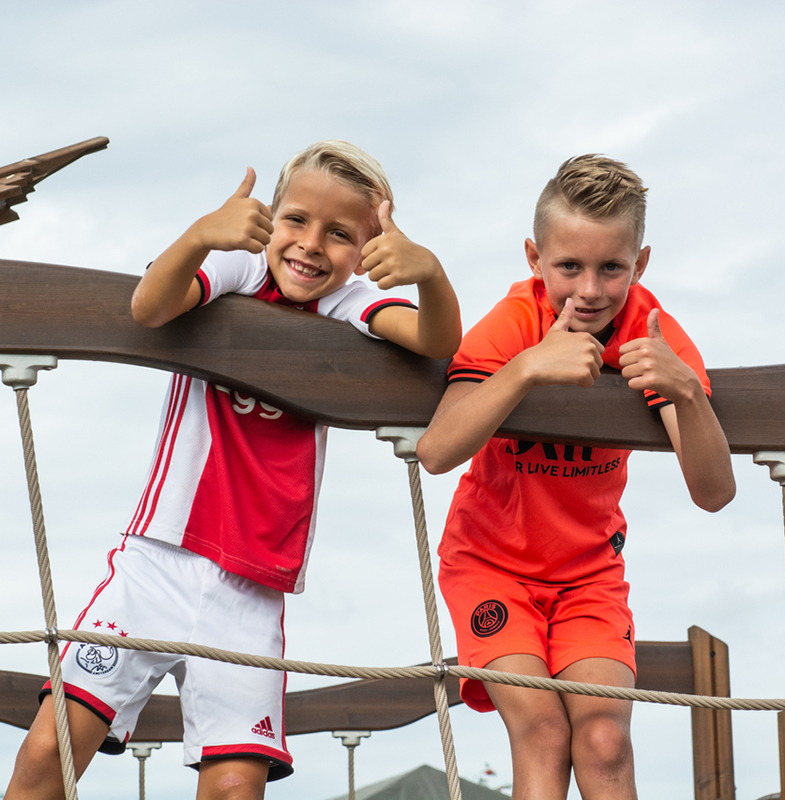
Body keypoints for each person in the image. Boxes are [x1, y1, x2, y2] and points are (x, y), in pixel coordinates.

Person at [6, 140, 461, 800]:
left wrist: (431, 274)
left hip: (252, 590)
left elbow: (435, 342)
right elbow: (149, 308)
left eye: (340, 234)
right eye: (296, 219)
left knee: (234, 790)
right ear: (270, 218)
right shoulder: (238, 267)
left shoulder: (347, 304)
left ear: (365, 253)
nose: (310, 244)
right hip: (157, 562)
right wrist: (198, 236)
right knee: (51, 748)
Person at [417, 154, 735, 800]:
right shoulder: (514, 324)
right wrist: (529, 368)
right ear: (535, 258)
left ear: (638, 265)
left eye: (611, 268)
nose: (589, 290)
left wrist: (688, 395)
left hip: (587, 575)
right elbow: (437, 450)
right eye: (569, 267)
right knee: (542, 730)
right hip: (491, 564)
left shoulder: (652, 332)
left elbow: (714, 491)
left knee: (604, 741)